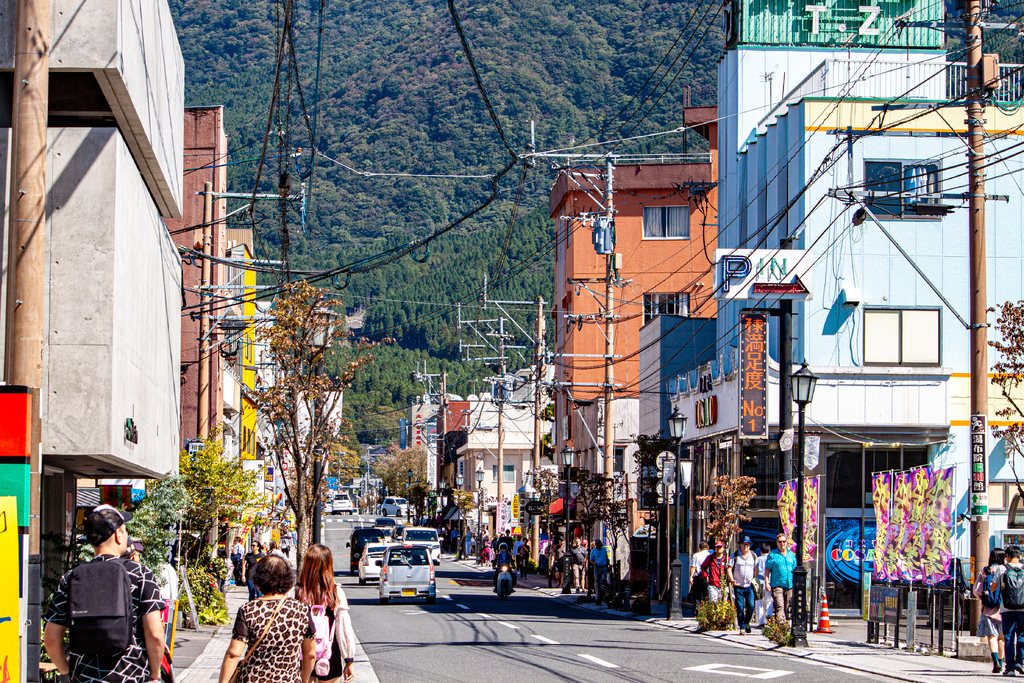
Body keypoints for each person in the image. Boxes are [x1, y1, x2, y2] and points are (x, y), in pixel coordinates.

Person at [43, 505, 165, 683]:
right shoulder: (140, 574)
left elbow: (51, 638)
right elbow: (155, 633)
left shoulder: (71, 578)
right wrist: (155, 675)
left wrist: (65, 672)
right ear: (118, 535)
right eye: (125, 531)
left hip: (83, 677)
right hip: (131, 675)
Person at [218, 555, 316, 683]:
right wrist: (304, 679)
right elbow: (310, 654)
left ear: (258, 579)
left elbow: (234, 654)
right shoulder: (301, 610)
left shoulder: (248, 610)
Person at [295, 545, 357, 683]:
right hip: (329, 653)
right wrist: (349, 659)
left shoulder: (297, 593)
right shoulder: (335, 592)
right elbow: (344, 628)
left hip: (302, 654)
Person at [974, 547, 1006, 673]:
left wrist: (984, 598)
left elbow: (976, 590)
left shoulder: (985, 571)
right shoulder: (1004, 570)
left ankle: (995, 661)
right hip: (1003, 609)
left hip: (988, 609)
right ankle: (1002, 664)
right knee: (1002, 638)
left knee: (991, 636)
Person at [728, 536, 758, 634]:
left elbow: (755, 569)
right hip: (738, 585)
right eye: (744, 544)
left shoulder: (753, 555)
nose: (745, 546)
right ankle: (742, 626)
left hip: (749, 585)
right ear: (740, 545)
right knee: (740, 606)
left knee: (751, 606)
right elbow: (729, 568)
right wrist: (732, 580)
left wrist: (755, 580)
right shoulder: (735, 555)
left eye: (747, 544)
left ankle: (747, 622)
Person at [765, 534, 797, 623]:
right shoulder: (772, 555)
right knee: (780, 605)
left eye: (784, 541)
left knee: (787, 607)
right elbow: (767, 570)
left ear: (787, 543)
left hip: (789, 584)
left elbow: (795, 569)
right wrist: (767, 583)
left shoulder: (791, 554)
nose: (782, 543)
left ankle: (785, 624)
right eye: (780, 542)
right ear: (777, 543)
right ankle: (781, 627)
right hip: (777, 584)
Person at [1004, 546, 1024, 676]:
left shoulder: (1002, 569)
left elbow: (993, 588)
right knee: (1022, 634)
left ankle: (1010, 668)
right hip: (1023, 608)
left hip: (1007, 608)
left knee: (1009, 637)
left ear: (1007, 556)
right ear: (1020, 556)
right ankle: (1020, 662)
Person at [755, 542, 773, 626]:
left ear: (760, 551)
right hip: (769, 581)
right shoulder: (770, 559)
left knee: (760, 602)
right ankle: (769, 614)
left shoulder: (757, 559)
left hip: (759, 581)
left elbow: (755, 570)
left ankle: (761, 621)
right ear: (769, 551)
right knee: (769, 600)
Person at [589, 539, 611, 605]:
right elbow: (591, 559)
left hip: (604, 567)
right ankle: (598, 595)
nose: (599, 544)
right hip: (597, 567)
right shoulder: (593, 551)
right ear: (595, 544)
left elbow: (606, 558)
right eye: (597, 543)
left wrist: (608, 565)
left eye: (599, 543)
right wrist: (593, 563)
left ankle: (603, 593)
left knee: (604, 580)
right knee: (597, 581)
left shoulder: (604, 550)